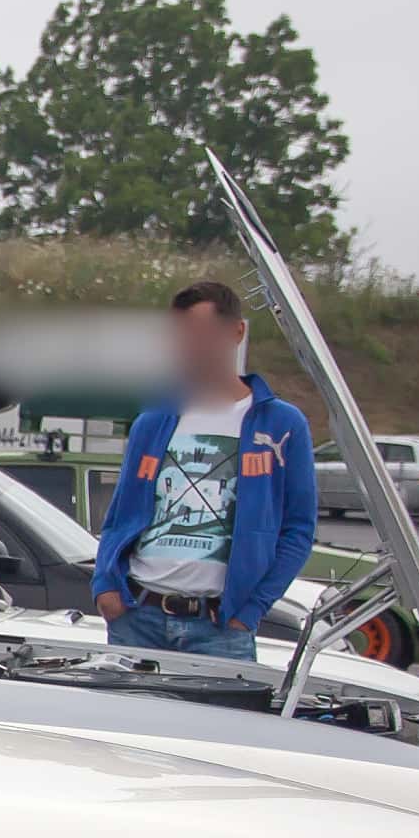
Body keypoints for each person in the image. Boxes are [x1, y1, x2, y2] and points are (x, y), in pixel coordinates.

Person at [84, 280, 318, 659]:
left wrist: (250, 610)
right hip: (138, 617)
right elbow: (119, 515)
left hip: (220, 628)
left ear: (236, 333)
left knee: (221, 720)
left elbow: (298, 529)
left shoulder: (280, 424)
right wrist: (106, 587)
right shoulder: (153, 420)